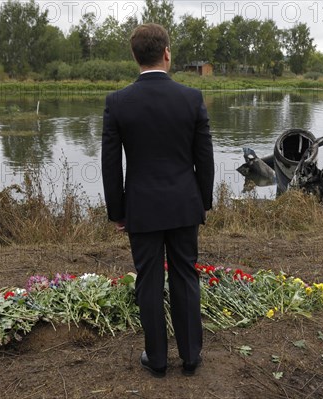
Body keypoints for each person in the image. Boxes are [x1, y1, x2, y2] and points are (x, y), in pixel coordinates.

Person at [101, 23, 214, 378]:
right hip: (184, 204)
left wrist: (117, 212)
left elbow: (109, 164)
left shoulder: (117, 102)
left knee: (148, 280)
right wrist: (203, 203)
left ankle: (158, 359)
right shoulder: (192, 98)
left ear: (134, 56)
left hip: (142, 207)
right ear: (167, 53)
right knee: (185, 275)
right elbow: (205, 158)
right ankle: (191, 356)